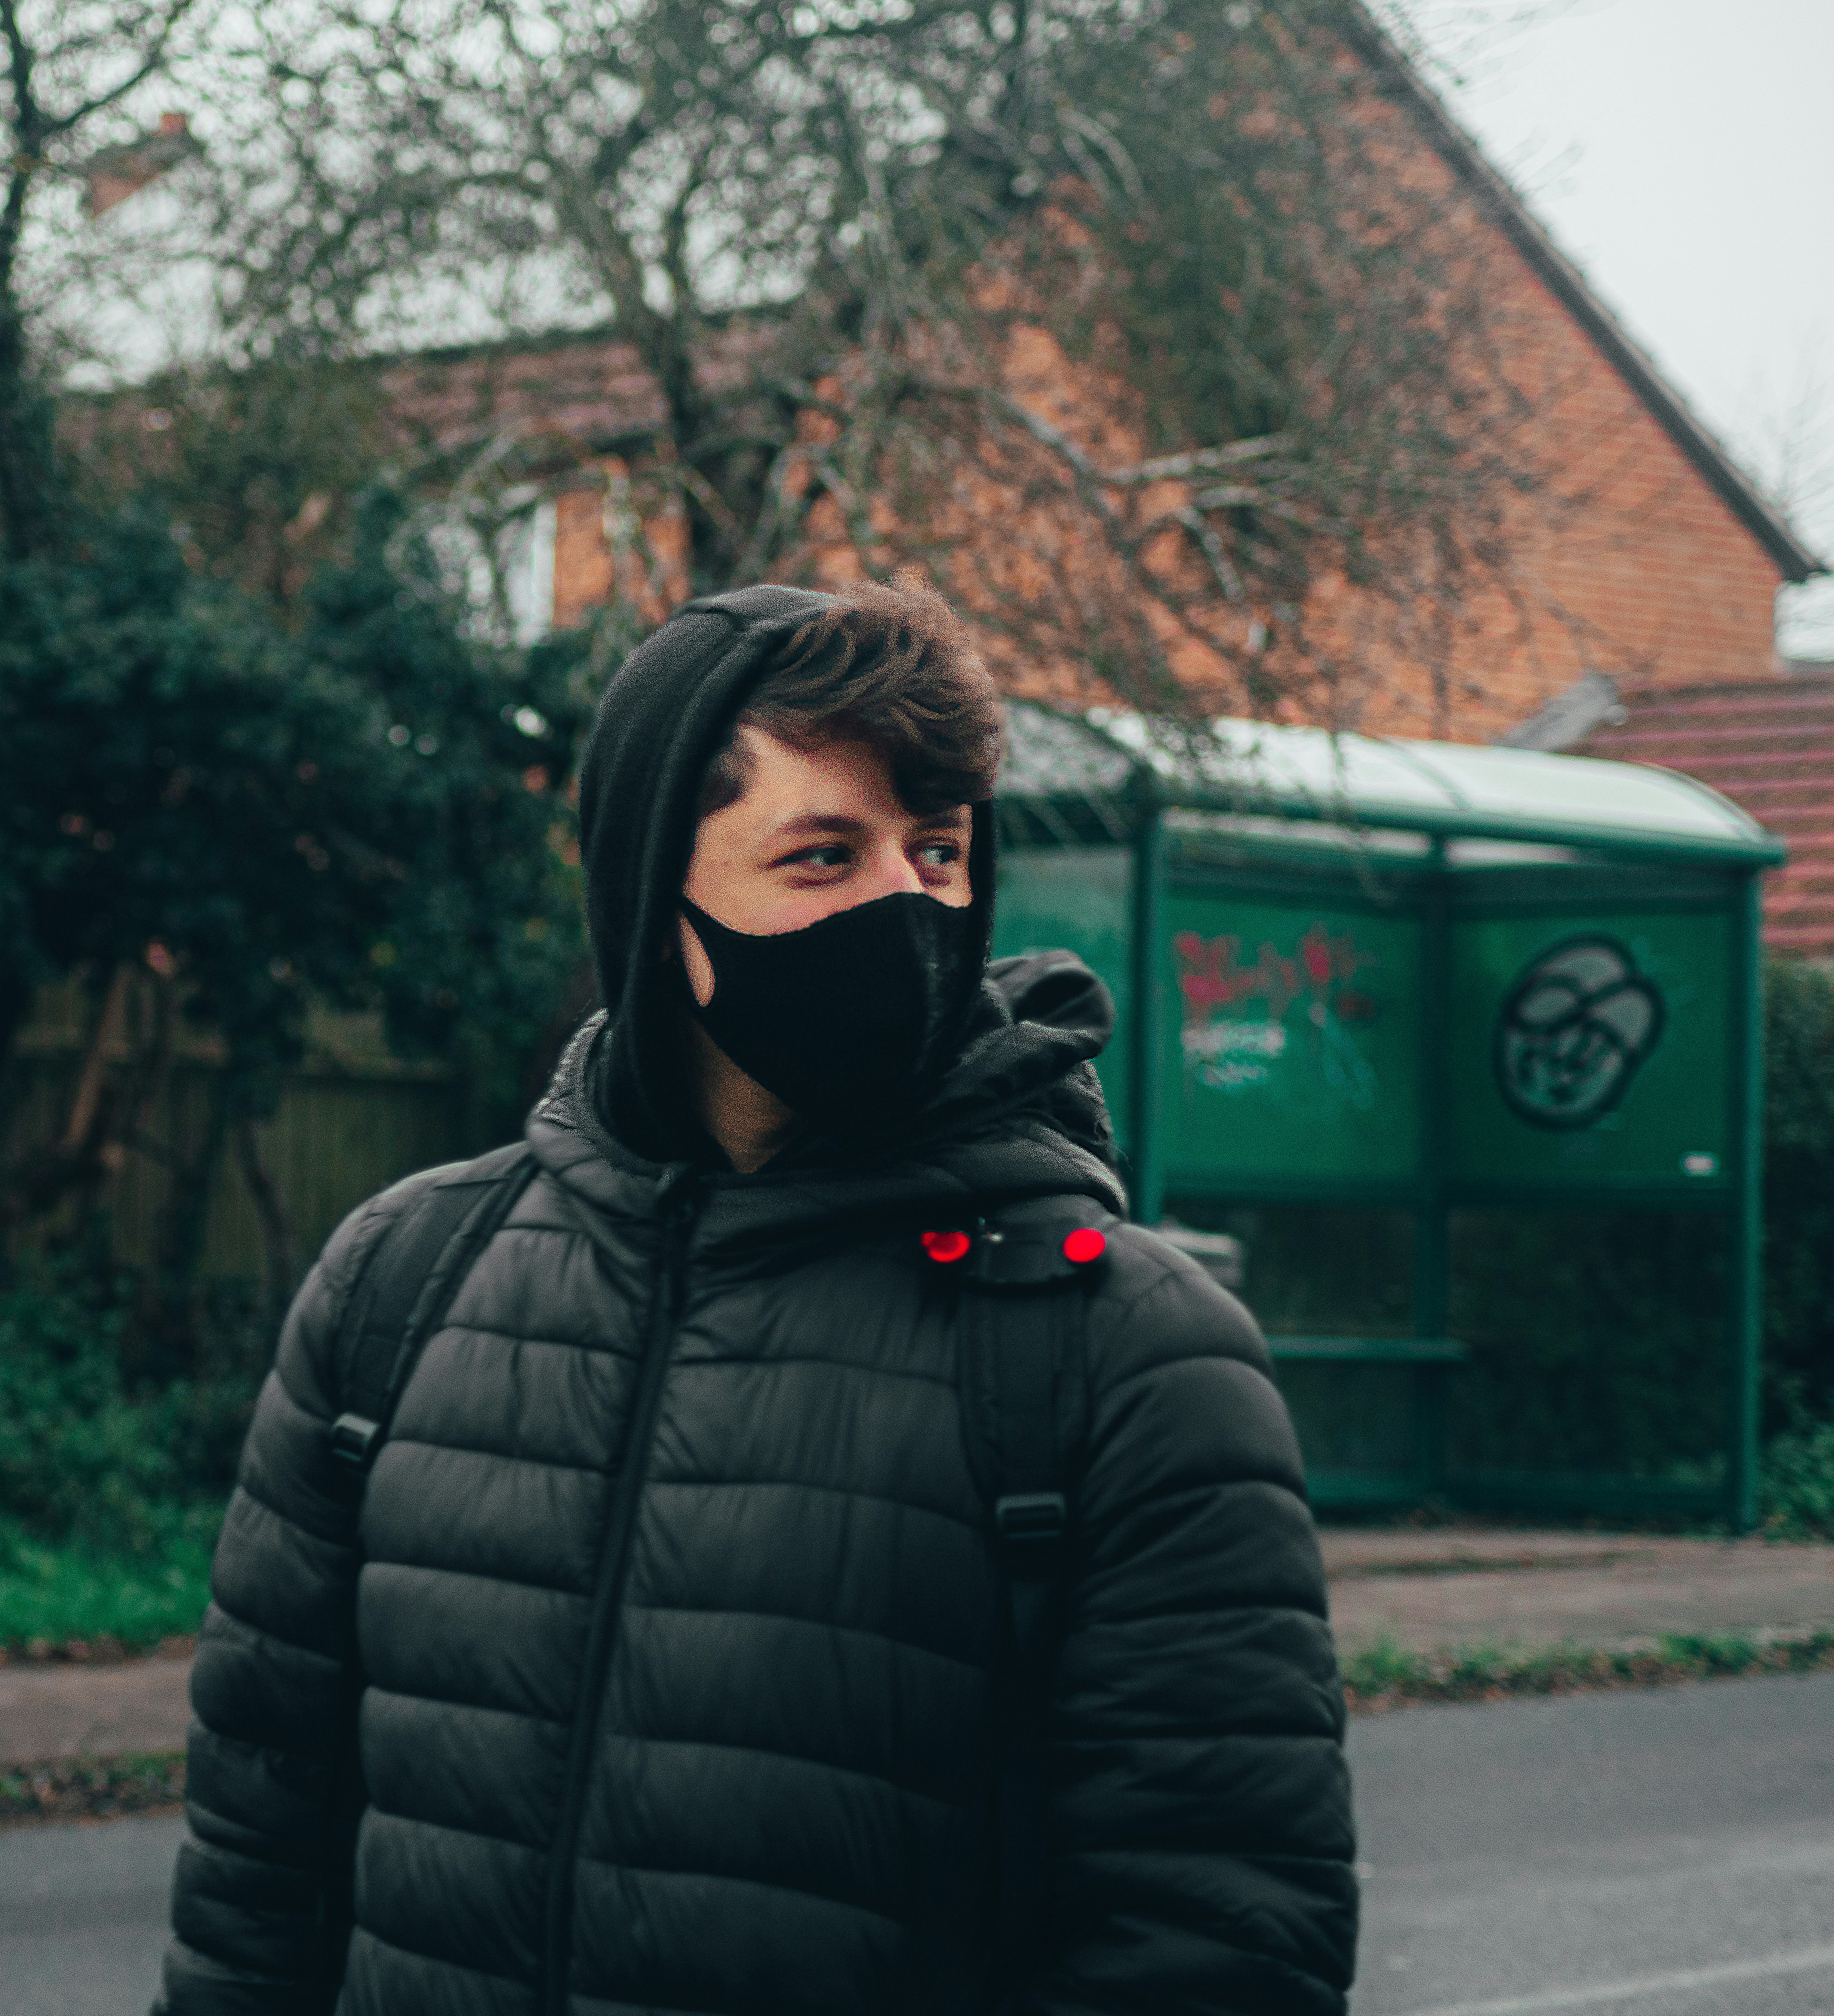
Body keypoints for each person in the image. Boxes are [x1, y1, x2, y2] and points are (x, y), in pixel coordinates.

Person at [157, 583, 1356, 2016]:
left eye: (937, 851)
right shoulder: (404, 1281)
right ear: (651, 897)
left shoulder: (1123, 1350)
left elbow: (1219, 1949)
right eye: (824, 856)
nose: (906, 906)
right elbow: (257, 1868)